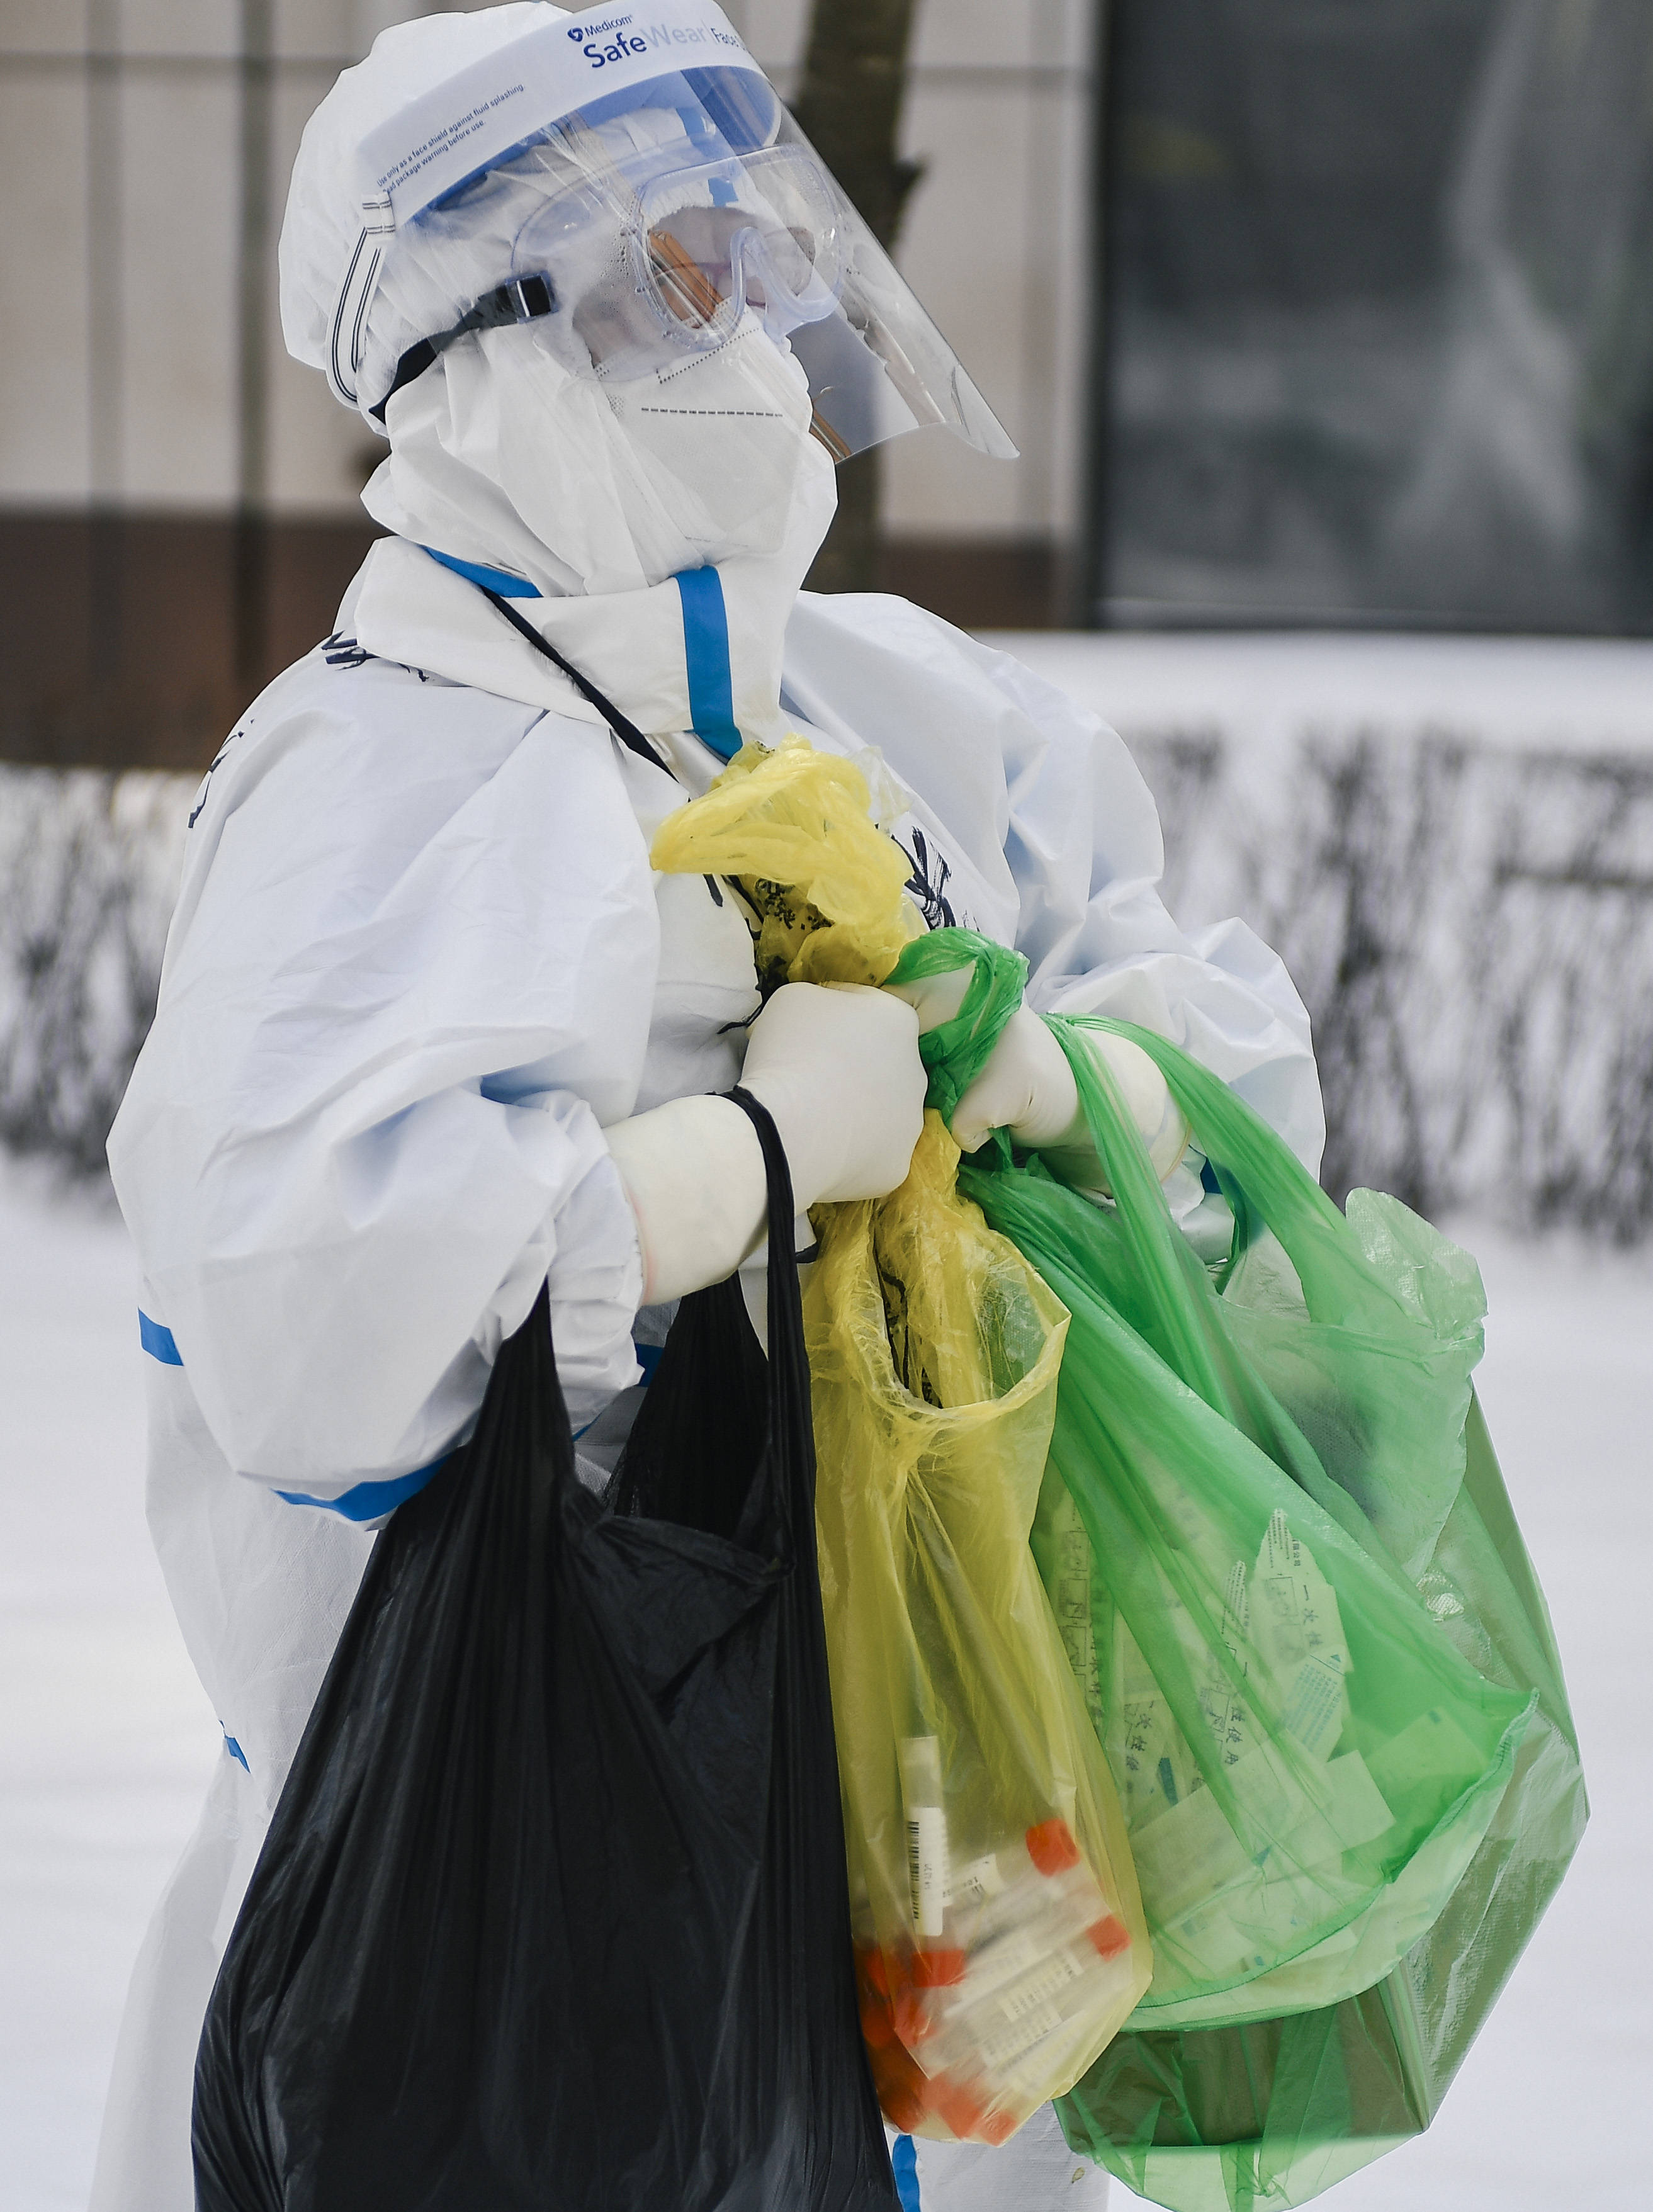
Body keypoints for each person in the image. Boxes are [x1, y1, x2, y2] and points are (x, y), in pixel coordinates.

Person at [90, 8, 1324, 2209]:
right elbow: (309, 1324)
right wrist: (721, 1176)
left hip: (935, 1897)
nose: (748, 324)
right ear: (483, 351)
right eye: (674, 268)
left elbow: (1232, 1092)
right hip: (500, 1938)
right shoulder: (373, 779)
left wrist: (1066, 1086)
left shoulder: (874, 701)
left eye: (755, 255)